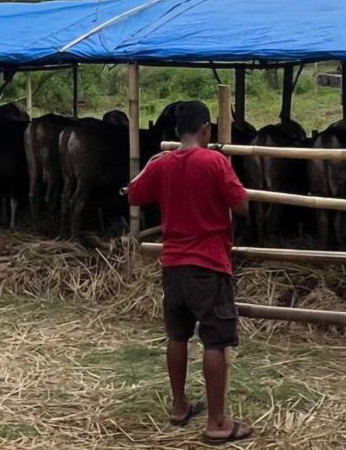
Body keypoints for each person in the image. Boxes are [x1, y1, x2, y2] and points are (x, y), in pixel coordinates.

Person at [126, 100, 253, 444]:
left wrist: (152, 165)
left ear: (177, 132)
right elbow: (241, 207)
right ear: (206, 130)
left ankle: (180, 406)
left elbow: (134, 194)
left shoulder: (164, 163)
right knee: (215, 340)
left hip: (173, 263)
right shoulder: (214, 161)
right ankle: (216, 423)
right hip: (208, 264)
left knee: (177, 335)